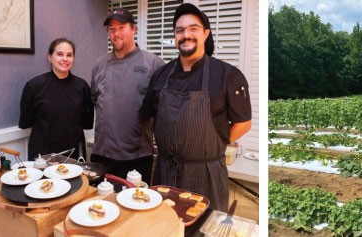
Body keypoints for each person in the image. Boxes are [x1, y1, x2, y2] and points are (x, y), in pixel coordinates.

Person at [140, 3, 252, 212]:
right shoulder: (160, 75)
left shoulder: (227, 75)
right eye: (180, 30)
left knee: (203, 230)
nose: (186, 35)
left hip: (206, 174)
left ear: (206, 33)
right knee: (164, 227)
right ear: (175, 35)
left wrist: (215, 144)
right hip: (164, 171)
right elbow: (149, 117)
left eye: (193, 29)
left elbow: (244, 123)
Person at [91, 8, 165, 184]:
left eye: (121, 27)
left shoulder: (153, 63)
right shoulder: (99, 65)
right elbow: (96, 100)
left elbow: (161, 109)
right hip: (103, 153)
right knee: (101, 206)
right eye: (111, 29)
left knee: (137, 206)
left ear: (134, 29)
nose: (116, 33)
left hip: (138, 156)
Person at [19, 38, 93, 160]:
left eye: (69, 55)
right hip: (41, 155)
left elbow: (86, 122)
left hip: (74, 154)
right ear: (49, 57)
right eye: (59, 54)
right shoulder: (34, 86)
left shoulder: (82, 86)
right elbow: (26, 122)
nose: (65, 59)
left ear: (73, 58)